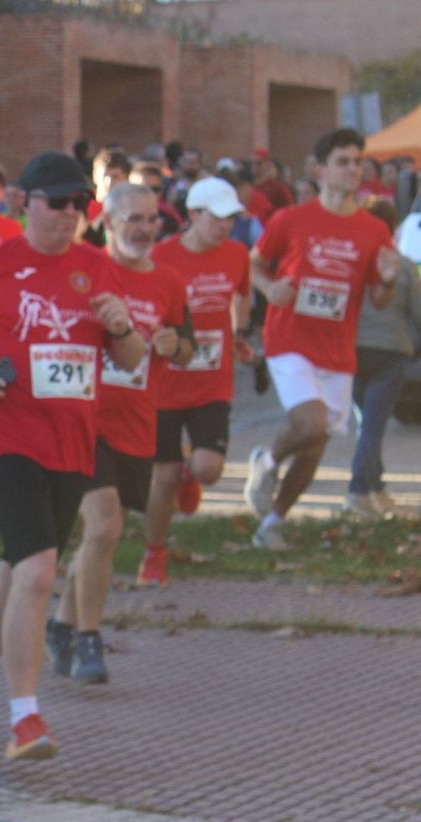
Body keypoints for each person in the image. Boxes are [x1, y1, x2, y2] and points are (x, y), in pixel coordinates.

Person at [0, 151, 143, 760]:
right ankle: (26, 718)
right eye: (59, 203)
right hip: (7, 439)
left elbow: (131, 359)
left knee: (17, 574)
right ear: (26, 203)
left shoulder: (96, 267)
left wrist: (122, 327)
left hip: (72, 441)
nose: (70, 214)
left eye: (80, 204)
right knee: (41, 570)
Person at [47, 183, 189, 685]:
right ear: (108, 220)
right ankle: (89, 641)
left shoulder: (169, 282)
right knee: (104, 527)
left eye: (152, 219)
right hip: (83, 421)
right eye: (133, 218)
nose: (144, 228)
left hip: (137, 422)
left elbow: (186, 344)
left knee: (100, 539)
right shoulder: (83, 269)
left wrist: (175, 345)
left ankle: (61, 624)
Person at [245, 127, 403, 550]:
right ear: (320, 169)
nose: (353, 169)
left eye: (358, 162)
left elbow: (381, 299)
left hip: (337, 349)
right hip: (289, 338)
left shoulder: (373, 229)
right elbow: (255, 263)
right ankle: (269, 459)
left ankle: (272, 523)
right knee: (310, 423)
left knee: (316, 443)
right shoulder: (291, 219)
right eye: (343, 162)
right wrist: (269, 289)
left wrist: (387, 280)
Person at [139, 177, 254, 586]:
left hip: (212, 381)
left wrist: (238, 333)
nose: (226, 226)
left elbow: (242, 293)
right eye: (218, 217)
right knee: (163, 476)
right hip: (165, 383)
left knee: (208, 469)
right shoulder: (161, 256)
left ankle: (192, 473)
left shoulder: (238, 254)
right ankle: (154, 554)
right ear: (193, 216)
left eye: (232, 218)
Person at [346, 198, 421, 518]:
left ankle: (374, 486)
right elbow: (418, 313)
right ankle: (359, 491)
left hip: (350, 352)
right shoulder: (404, 266)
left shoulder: (350, 262)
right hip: (390, 354)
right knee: (372, 428)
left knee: (367, 425)